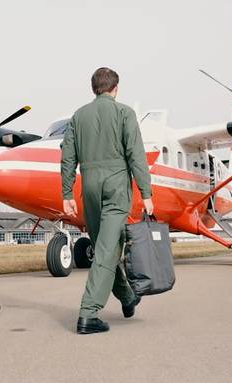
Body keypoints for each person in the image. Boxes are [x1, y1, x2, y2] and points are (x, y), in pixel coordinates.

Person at [61, 67, 154, 334]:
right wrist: (146, 193)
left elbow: (67, 158)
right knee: (106, 249)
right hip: (115, 187)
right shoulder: (125, 113)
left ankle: (127, 298)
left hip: (88, 187)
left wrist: (67, 192)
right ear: (115, 88)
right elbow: (136, 155)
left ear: (94, 88)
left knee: (107, 246)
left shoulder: (78, 116)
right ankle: (88, 314)